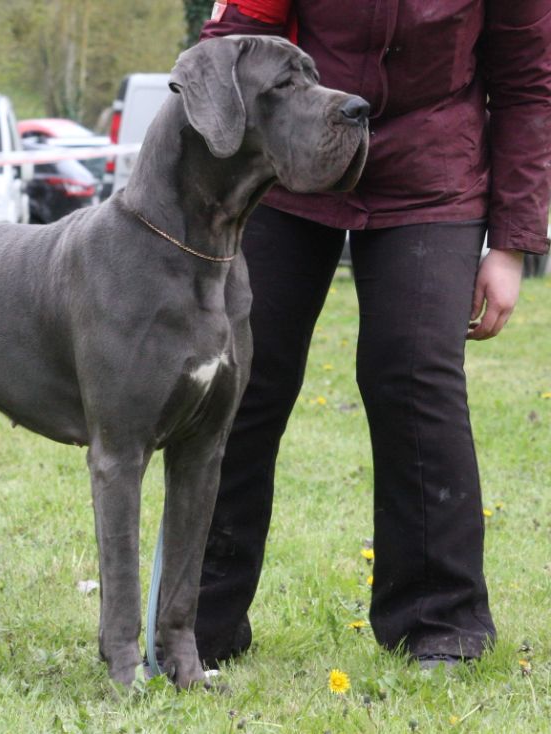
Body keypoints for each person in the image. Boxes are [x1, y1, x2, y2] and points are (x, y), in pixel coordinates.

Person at [194, 1, 551, 669]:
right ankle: (194, 619)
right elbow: (233, 45)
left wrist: (512, 244)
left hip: (432, 174)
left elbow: (529, 81)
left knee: (413, 376)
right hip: (288, 165)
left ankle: (441, 626)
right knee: (243, 379)